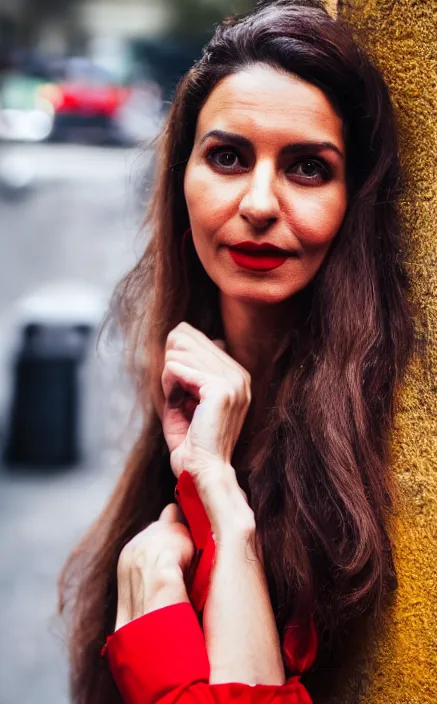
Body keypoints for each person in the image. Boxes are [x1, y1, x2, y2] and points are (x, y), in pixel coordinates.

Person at [58, 1, 418, 702]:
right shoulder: (189, 386)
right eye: (227, 156)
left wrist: (221, 502)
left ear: (354, 201)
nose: (258, 203)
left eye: (309, 168)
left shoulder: (371, 448)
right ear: (181, 179)